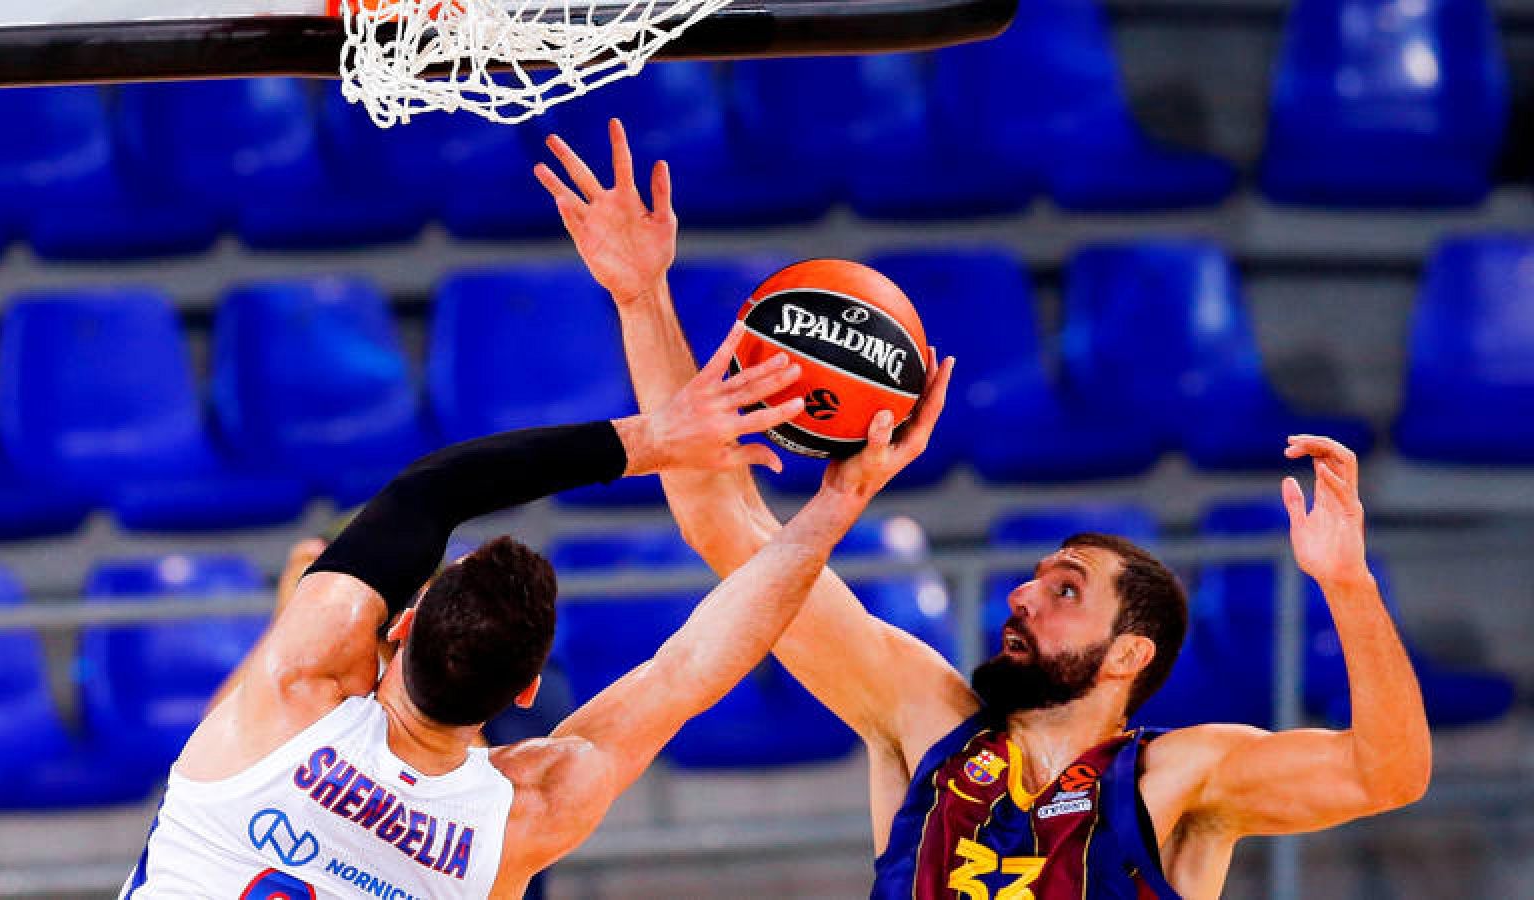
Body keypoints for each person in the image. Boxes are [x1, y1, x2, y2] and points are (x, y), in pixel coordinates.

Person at [536, 118, 1432, 899]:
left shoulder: (1181, 780)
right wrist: (640, 294)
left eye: (1066, 591)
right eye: (1037, 580)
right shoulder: (923, 718)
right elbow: (725, 526)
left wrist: (1348, 585)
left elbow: (1387, 774)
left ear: (1129, 654)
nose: (1024, 597)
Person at [121, 323, 952, 899]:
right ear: (527, 694)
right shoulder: (525, 816)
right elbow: (690, 669)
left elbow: (429, 491)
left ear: (400, 626)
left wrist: (650, 439)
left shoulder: (298, 686)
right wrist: (838, 501)